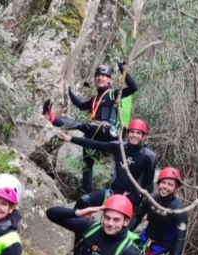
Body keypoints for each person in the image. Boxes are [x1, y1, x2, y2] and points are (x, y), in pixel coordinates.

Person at [43, 63, 139, 194]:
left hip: (107, 130)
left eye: (103, 76)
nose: (100, 78)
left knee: (85, 125)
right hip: (94, 131)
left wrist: (123, 69)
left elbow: (133, 88)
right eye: (98, 75)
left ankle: (53, 120)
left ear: (109, 79)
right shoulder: (95, 99)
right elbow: (81, 105)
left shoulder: (113, 94)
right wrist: (69, 91)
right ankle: (85, 193)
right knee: (87, 163)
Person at [56, 118, 157, 210]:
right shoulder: (119, 147)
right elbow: (95, 144)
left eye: (138, 133)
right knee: (83, 200)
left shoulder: (149, 156)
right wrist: (70, 138)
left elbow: (148, 186)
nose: (134, 135)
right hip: (113, 193)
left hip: (131, 199)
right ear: (127, 134)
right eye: (132, 132)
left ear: (144, 136)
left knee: (116, 216)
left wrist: (144, 208)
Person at [129, 167, 188, 255]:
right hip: (145, 237)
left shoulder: (178, 210)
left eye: (170, 184)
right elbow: (137, 218)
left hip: (162, 247)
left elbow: (180, 238)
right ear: (158, 183)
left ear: (176, 187)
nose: (165, 186)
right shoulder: (151, 198)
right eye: (163, 182)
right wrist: (124, 234)